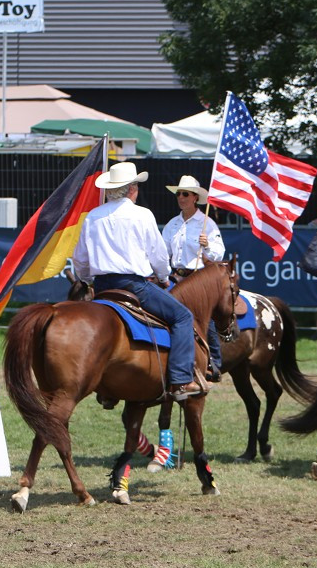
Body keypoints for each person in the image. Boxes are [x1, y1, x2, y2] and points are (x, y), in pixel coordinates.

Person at [72, 162, 202, 400]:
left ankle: (107, 388)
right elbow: (158, 255)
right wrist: (163, 277)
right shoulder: (142, 214)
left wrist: (88, 280)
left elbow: (80, 259)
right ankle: (182, 380)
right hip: (134, 286)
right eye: (137, 186)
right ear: (132, 188)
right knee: (183, 316)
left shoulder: (92, 217)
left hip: (102, 289)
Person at [161, 175, 225, 381]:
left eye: (185, 194)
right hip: (175, 277)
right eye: (179, 193)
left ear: (195, 198)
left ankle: (214, 360)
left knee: (205, 319)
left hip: (197, 279)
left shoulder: (207, 223)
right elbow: (164, 253)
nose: (181, 197)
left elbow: (219, 254)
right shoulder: (172, 224)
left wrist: (207, 245)